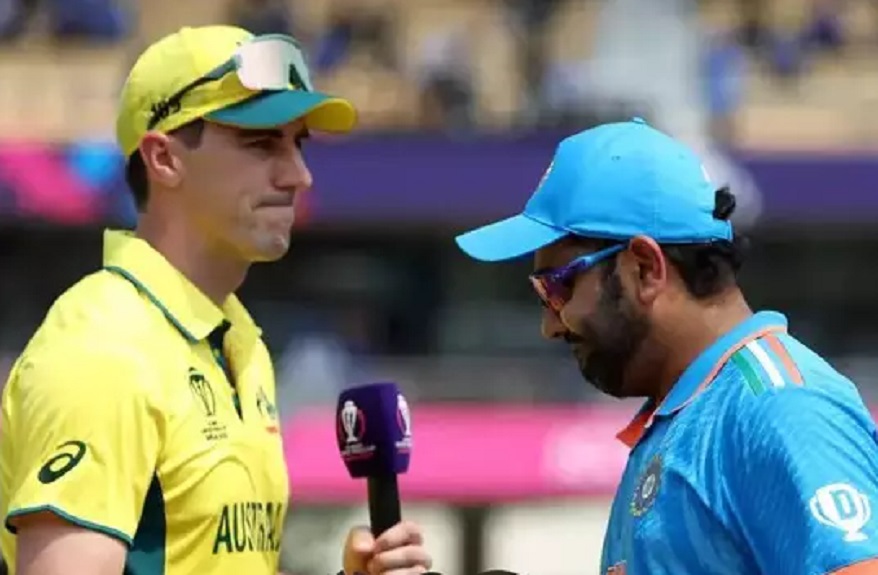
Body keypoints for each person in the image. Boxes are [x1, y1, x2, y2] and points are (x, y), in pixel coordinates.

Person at [0, 25, 431, 575]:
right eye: (261, 142)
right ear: (164, 159)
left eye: (297, 143)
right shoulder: (103, 351)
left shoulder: (238, 342)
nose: (299, 175)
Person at [454, 117, 878, 574]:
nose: (550, 326)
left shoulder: (779, 407)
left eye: (557, 287)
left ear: (645, 268)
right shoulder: (689, 415)